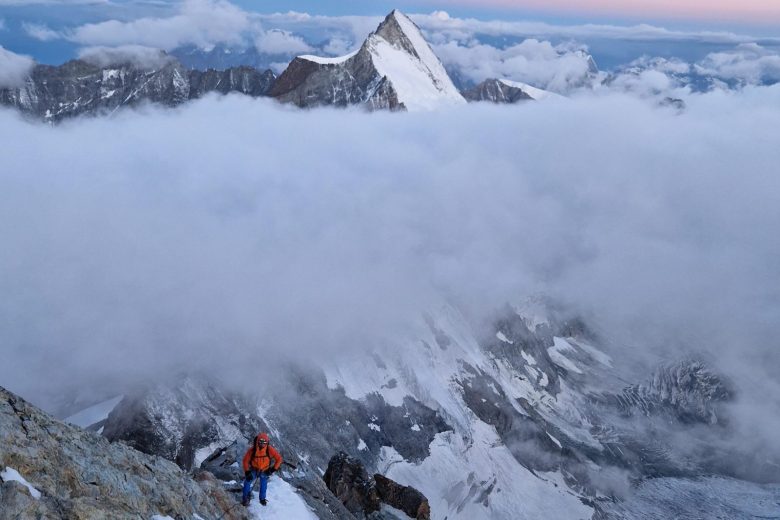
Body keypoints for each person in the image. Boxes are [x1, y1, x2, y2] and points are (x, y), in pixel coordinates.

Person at [241, 432, 283, 507]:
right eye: (260, 441)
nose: (262, 443)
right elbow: (245, 461)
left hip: (265, 470)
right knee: (247, 482)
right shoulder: (252, 450)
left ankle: (262, 499)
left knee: (263, 485)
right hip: (254, 469)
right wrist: (247, 472)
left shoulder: (269, 449)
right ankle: (245, 499)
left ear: (267, 442)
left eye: (264, 442)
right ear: (257, 441)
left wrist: (272, 469)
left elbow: (279, 459)